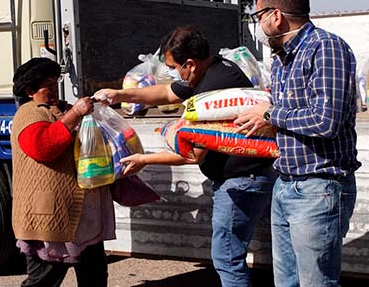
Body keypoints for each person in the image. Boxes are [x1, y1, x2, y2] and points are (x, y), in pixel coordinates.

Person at [95, 26, 277, 287]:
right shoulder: (211, 70)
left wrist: (143, 160)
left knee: (226, 256)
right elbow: (167, 93)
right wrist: (119, 94)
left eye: (174, 67)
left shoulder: (213, 91)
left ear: (190, 64)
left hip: (241, 180)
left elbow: (192, 154)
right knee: (229, 253)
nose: (173, 73)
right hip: (244, 178)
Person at [234, 0, 361, 287]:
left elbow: (325, 120)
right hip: (287, 184)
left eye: (258, 16)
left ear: (275, 15)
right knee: (286, 282)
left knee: (317, 283)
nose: (259, 26)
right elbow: (281, 117)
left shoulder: (326, 48)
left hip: (318, 188)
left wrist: (269, 115)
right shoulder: (280, 62)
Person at [11, 57, 114, 287]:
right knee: (44, 279)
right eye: (48, 84)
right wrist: (75, 114)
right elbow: (42, 147)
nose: (54, 88)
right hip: (48, 218)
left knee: (95, 275)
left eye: (55, 82)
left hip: (83, 216)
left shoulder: (62, 109)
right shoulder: (28, 114)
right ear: (30, 91)